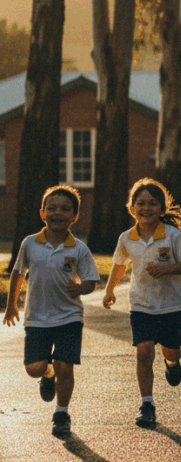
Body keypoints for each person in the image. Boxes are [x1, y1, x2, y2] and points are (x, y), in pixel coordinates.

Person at [3, 185, 100, 436]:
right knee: (33, 368)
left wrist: (81, 287)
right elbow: (17, 273)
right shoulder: (30, 244)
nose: (58, 213)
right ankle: (48, 374)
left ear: (75, 216)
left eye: (65, 209)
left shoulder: (79, 249)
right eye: (52, 208)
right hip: (36, 318)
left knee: (65, 366)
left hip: (69, 318)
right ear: (42, 213)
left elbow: (91, 281)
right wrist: (12, 305)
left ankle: (61, 413)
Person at [103, 178, 181, 427]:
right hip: (141, 305)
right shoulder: (127, 238)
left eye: (152, 203)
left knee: (171, 349)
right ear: (132, 208)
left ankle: (172, 362)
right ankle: (147, 404)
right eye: (141, 203)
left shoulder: (172, 235)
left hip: (171, 306)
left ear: (162, 209)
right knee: (144, 353)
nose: (146, 208)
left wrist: (167, 269)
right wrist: (109, 290)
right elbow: (118, 265)